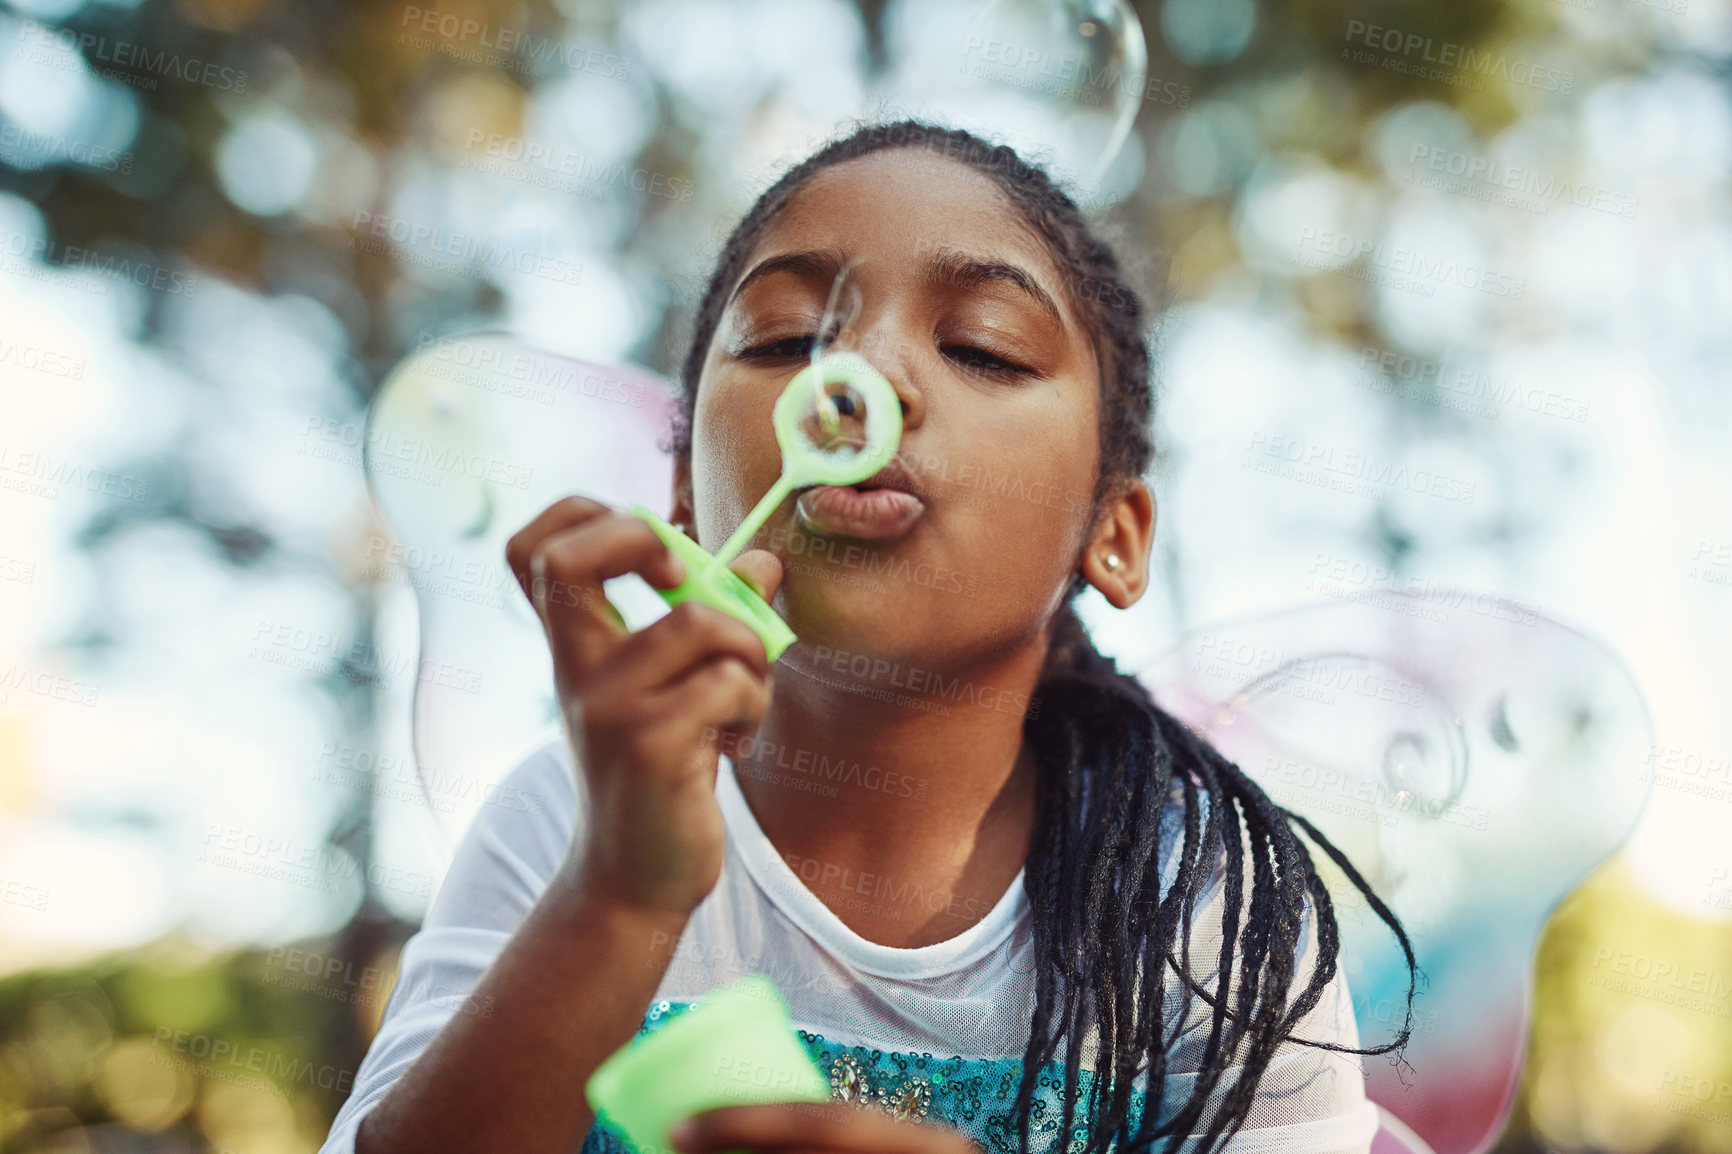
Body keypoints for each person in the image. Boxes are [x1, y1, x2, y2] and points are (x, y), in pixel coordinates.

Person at [320, 121, 1414, 1154]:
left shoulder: (1204, 904)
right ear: (685, 499)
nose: (859, 380)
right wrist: (616, 894)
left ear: (1113, 534)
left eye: (982, 348)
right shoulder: (570, 819)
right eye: (789, 338)